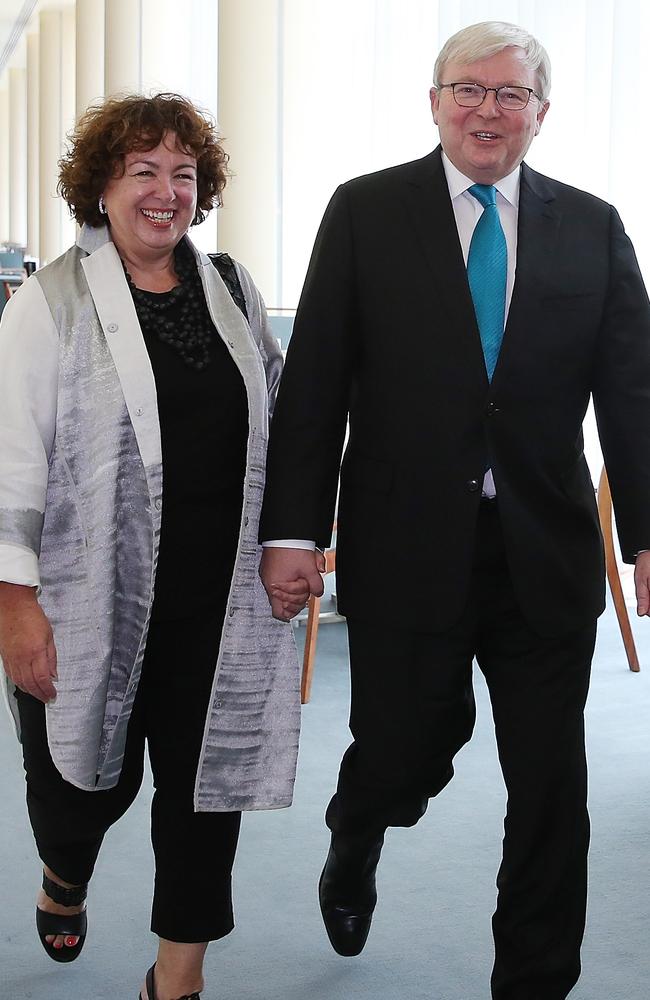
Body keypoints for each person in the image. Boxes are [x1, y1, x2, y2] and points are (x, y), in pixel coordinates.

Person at [259, 20, 650, 1000]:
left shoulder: (592, 226)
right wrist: (293, 531)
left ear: (539, 114)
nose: (487, 109)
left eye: (509, 94)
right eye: (468, 90)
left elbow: (632, 393)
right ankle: (354, 836)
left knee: (549, 784)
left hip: (541, 549)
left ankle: (533, 979)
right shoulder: (364, 212)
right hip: (402, 546)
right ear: (434, 103)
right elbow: (315, 385)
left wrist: (646, 533)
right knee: (404, 752)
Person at [0, 93, 308, 1000]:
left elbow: (283, 422)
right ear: (102, 187)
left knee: (204, 795)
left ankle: (177, 981)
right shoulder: (47, 304)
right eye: (143, 171)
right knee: (82, 791)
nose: (165, 191)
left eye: (182, 173)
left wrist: (300, 533)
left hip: (219, 603)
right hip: (86, 598)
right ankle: (66, 869)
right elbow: (11, 464)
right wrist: (14, 605)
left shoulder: (235, 289)